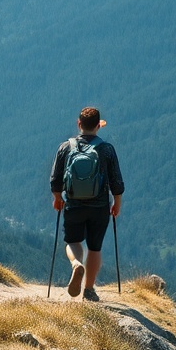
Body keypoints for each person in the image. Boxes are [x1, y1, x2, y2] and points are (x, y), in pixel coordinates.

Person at [49, 106, 124, 302]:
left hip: (74, 204)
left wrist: (57, 198)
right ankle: (89, 290)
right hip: (99, 206)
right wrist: (117, 202)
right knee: (95, 247)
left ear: (79, 124)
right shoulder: (106, 149)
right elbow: (116, 181)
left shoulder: (66, 147)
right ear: (99, 126)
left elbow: (55, 179)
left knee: (73, 241)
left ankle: (76, 265)